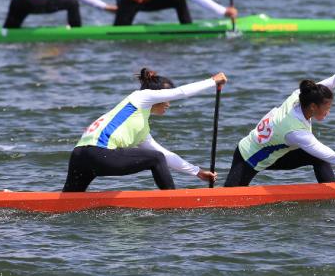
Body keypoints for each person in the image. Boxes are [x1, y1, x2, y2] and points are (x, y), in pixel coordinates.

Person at [223, 53, 335, 187]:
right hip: (248, 157)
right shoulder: (296, 131)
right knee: (228, 203)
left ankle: (330, 194)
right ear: (313, 107)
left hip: (277, 151)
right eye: (327, 108)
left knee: (318, 157)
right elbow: (334, 157)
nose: (329, 112)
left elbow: (334, 80)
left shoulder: (301, 96)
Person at [63, 68, 227, 192]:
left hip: (78, 156)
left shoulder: (140, 125)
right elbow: (181, 92)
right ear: (158, 95)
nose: (168, 103)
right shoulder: (141, 96)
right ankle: (172, 202)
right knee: (156, 158)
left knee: (68, 202)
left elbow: (166, 155)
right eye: (166, 98)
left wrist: (197, 172)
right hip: (99, 154)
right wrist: (212, 81)